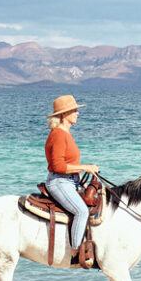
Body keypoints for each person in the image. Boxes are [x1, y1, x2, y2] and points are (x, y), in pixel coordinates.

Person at [44, 95, 99, 262]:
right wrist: (85, 167)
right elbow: (58, 166)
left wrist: (80, 175)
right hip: (59, 181)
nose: (77, 113)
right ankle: (75, 252)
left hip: (70, 181)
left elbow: (68, 161)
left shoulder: (65, 133)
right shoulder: (59, 135)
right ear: (64, 115)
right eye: (74, 110)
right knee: (81, 211)